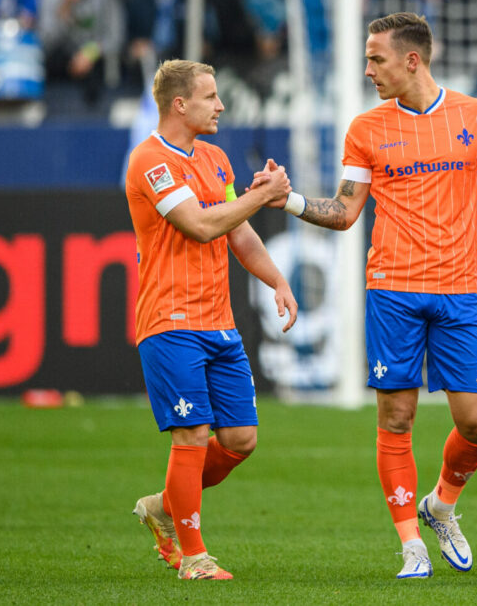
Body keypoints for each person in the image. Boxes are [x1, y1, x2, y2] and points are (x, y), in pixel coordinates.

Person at [260, 12, 477, 579]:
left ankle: (441, 506)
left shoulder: (474, 115)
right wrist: (286, 201)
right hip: (393, 290)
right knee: (397, 418)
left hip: (458, 292)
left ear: (413, 60)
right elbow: (343, 211)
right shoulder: (366, 128)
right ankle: (411, 542)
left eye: (376, 59)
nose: (367, 70)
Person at [125, 59, 298, 580]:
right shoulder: (151, 162)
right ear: (181, 104)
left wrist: (277, 280)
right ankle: (193, 557)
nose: (221, 105)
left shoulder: (217, 159)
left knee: (241, 439)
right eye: (211, 97)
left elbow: (237, 233)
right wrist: (261, 195)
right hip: (170, 321)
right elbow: (200, 226)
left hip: (217, 321)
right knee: (193, 435)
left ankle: (163, 504)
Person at [38, 0, 124, 105]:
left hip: (95, 59)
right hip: (59, 58)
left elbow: (116, 37)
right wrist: (65, 8)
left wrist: (89, 53)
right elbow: (45, 40)